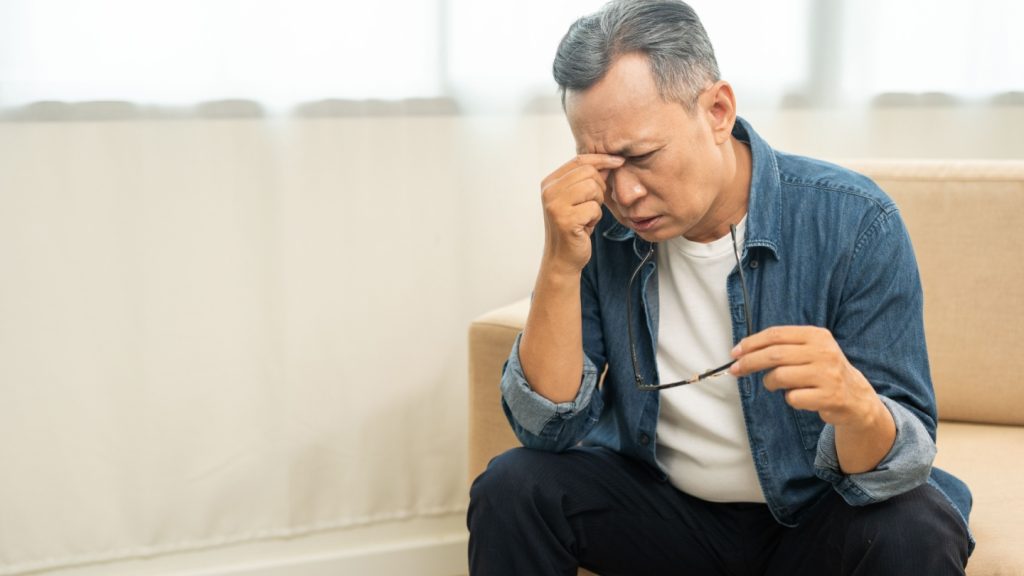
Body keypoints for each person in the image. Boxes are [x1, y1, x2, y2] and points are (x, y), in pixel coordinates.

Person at [466, 0, 974, 574]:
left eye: (642, 156)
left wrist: (857, 408)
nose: (625, 194)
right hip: (664, 515)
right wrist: (560, 264)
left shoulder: (855, 222)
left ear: (717, 111)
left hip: (814, 520)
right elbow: (544, 430)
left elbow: (900, 467)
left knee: (916, 524)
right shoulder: (597, 229)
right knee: (512, 486)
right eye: (601, 166)